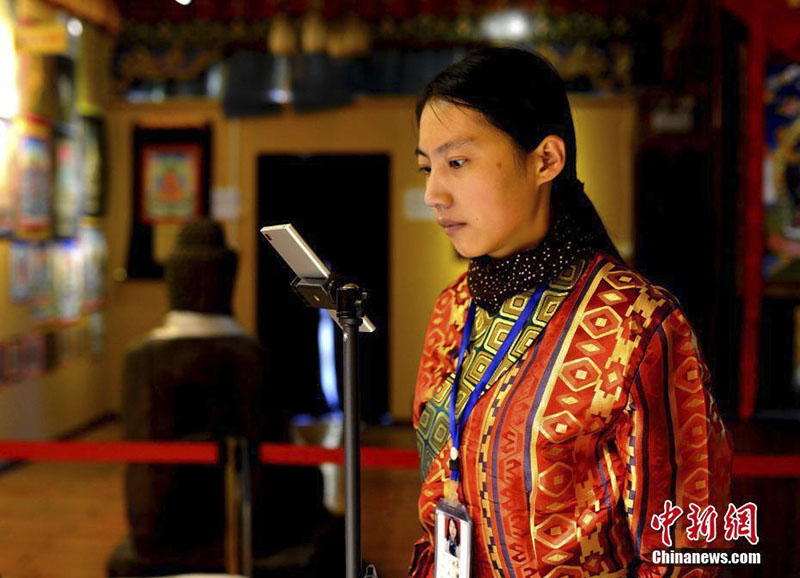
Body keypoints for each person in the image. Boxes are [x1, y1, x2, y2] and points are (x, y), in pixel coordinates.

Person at [408, 46, 733, 578]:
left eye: (457, 162)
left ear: (545, 160)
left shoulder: (638, 325)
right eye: (427, 167)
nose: (433, 192)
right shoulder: (453, 308)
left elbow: (688, 552)